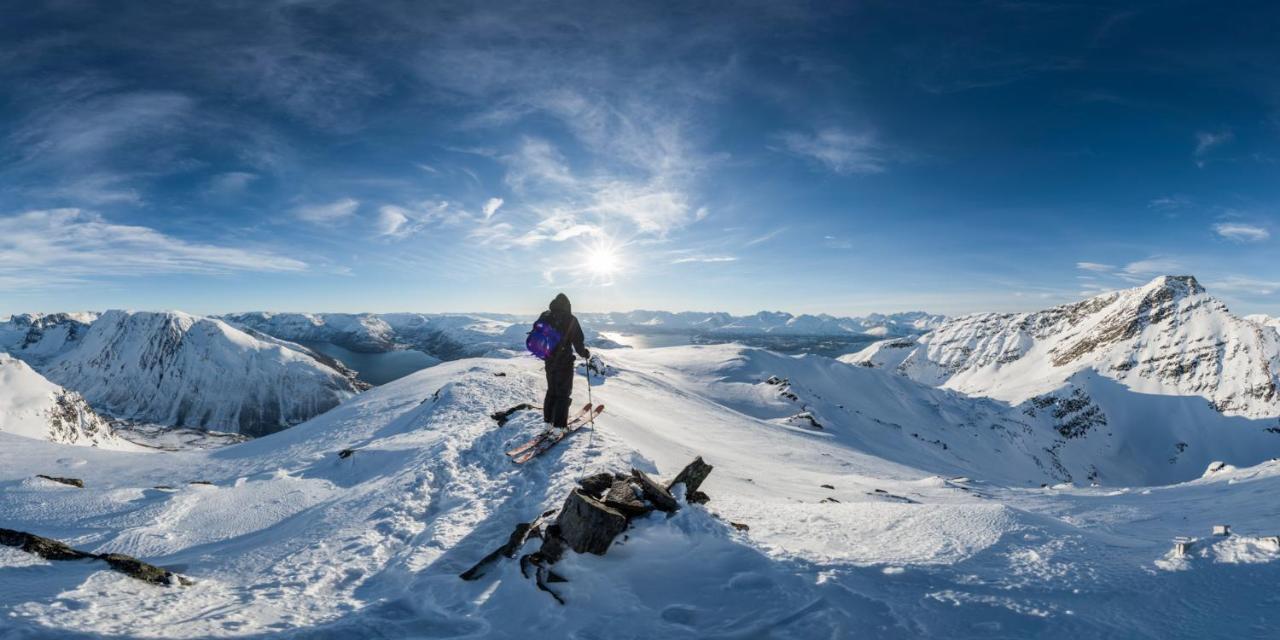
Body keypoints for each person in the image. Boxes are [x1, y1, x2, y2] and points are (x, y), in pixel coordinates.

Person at [539, 293, 589, 431]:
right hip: (564, 362)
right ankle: (559, 427)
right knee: (563, 393)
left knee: (552, 391)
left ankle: (547, 424)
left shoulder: (545, 316)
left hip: (549, 361)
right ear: (568, 305)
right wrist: (584, 353)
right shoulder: (570, 319)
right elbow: (578, 341)